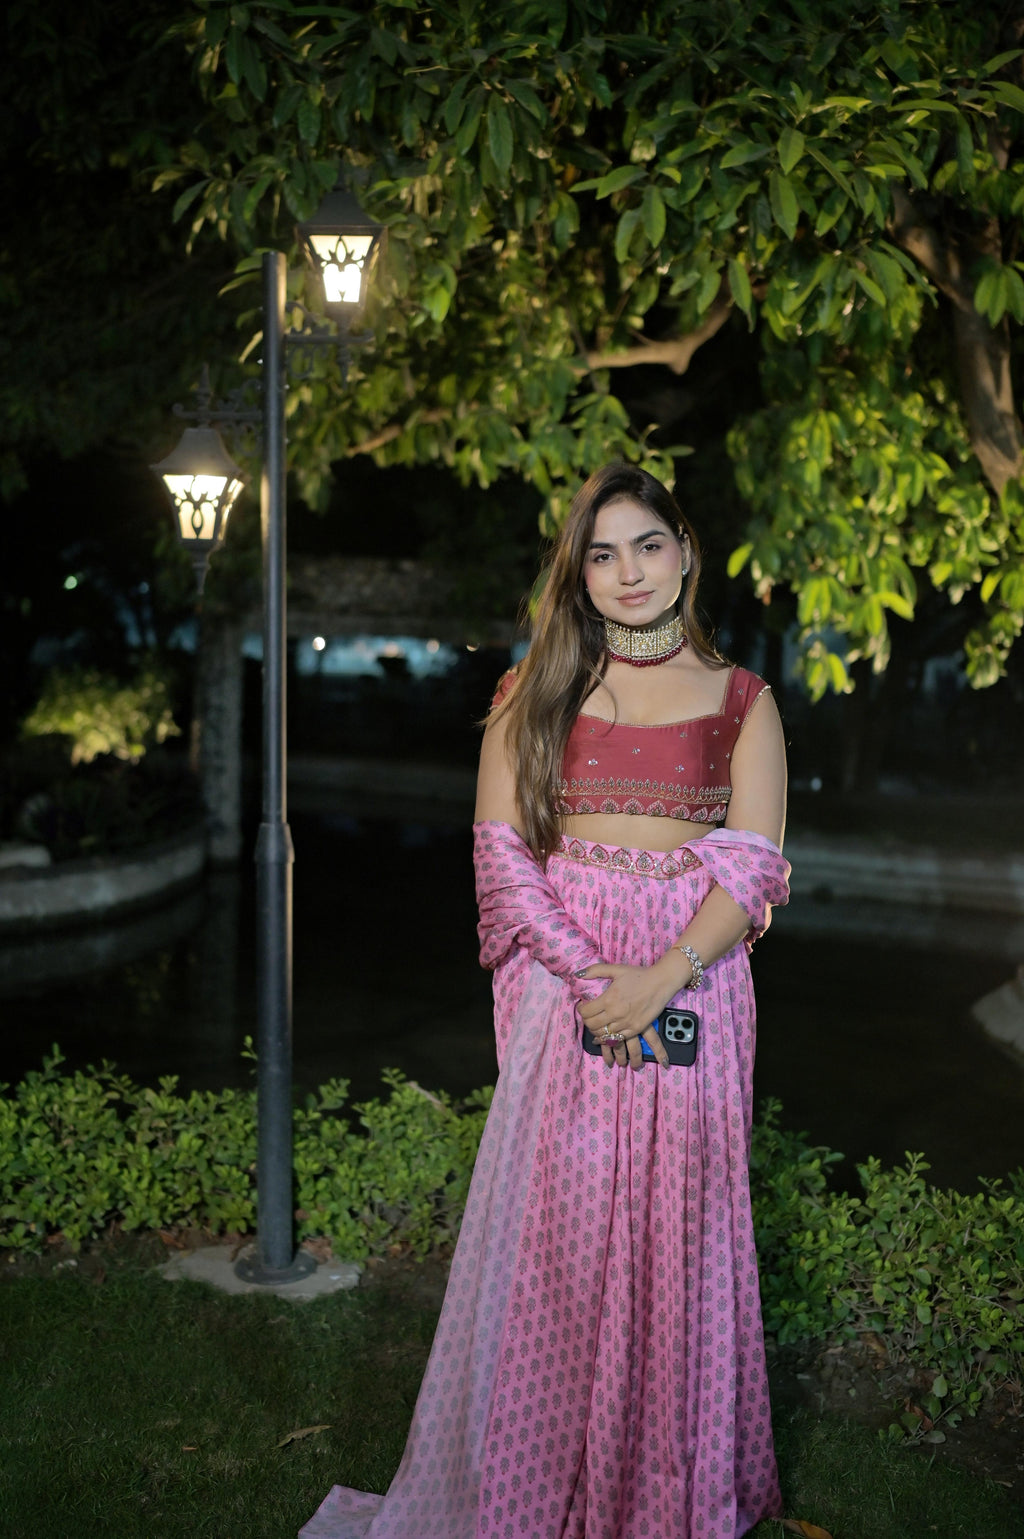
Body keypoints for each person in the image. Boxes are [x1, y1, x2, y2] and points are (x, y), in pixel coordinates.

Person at [301, 463, 790, 1539]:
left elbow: (754, 865)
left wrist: (658, 979)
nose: (629, 572)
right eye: (602, 554)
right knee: (557, 1242)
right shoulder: (536, 688)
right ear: (579, 574)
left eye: (647, 545)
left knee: (678, 1238)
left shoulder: (742, 700)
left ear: (685, 552)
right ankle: (532, 1492)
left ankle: (659, 1496)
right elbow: (502, 855)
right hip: (565, 989)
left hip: (693, 987)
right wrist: (592, 982)